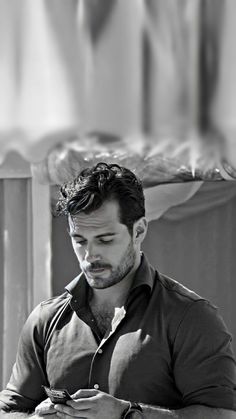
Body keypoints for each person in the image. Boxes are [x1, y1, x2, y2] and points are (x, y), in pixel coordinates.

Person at [0, 162, 236, 419]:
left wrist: (127, 414)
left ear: (139, 231)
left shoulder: (190, 317)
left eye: (105, 240)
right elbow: (8, 411)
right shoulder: (44, 321)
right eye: (79, 240)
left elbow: (222, 415)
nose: (90, 256)